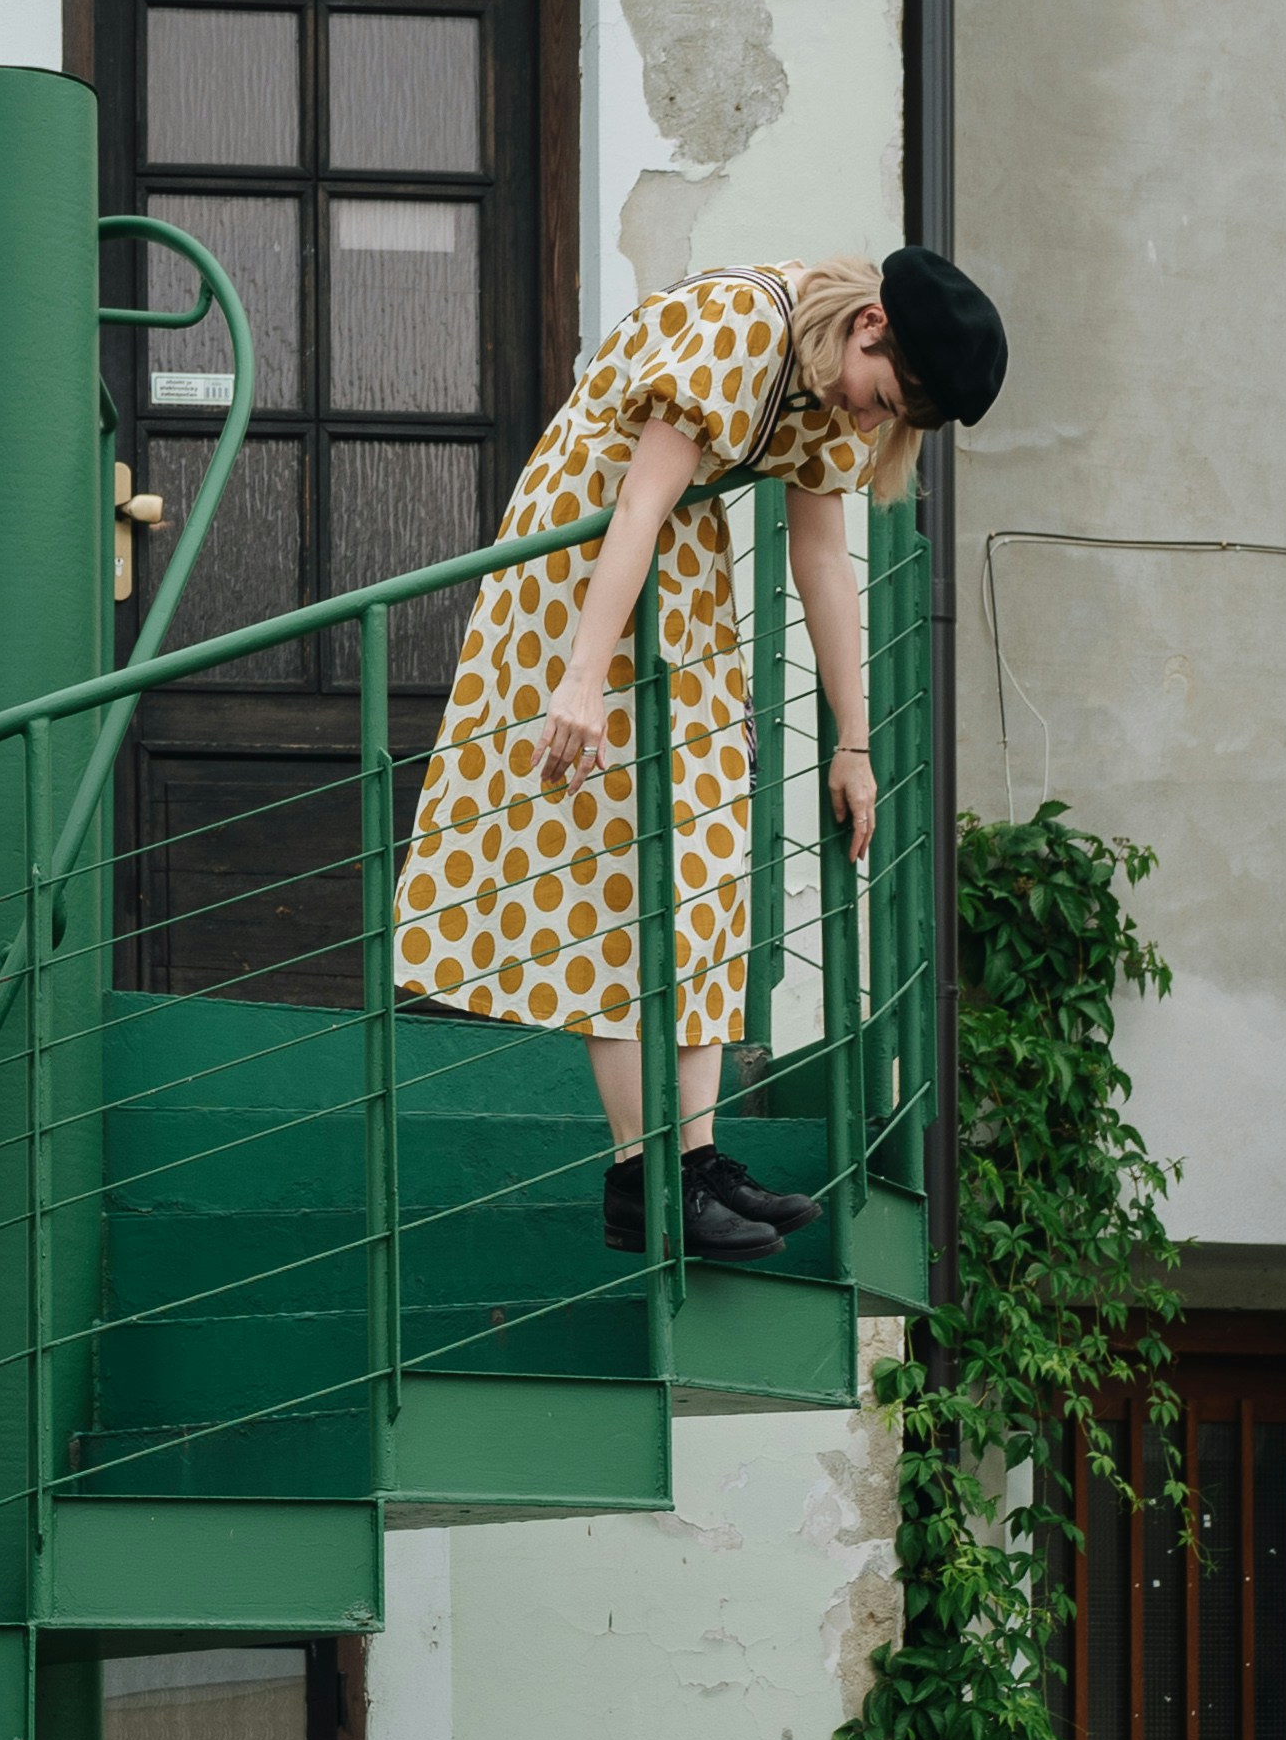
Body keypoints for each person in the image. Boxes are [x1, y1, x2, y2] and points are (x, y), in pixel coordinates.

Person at [393, 246, 1007, 1262]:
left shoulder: (828, 393)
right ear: (869, 328)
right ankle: (643, 1176)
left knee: (710, 853)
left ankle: (700, 1158)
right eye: (885, 397)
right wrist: (582, 681)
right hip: (588, 561)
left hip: (678, 571)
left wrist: (853, 743)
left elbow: (820, 557)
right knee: (619, 868)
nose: (873, 421)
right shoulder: (738, 328)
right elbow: (635, 501)